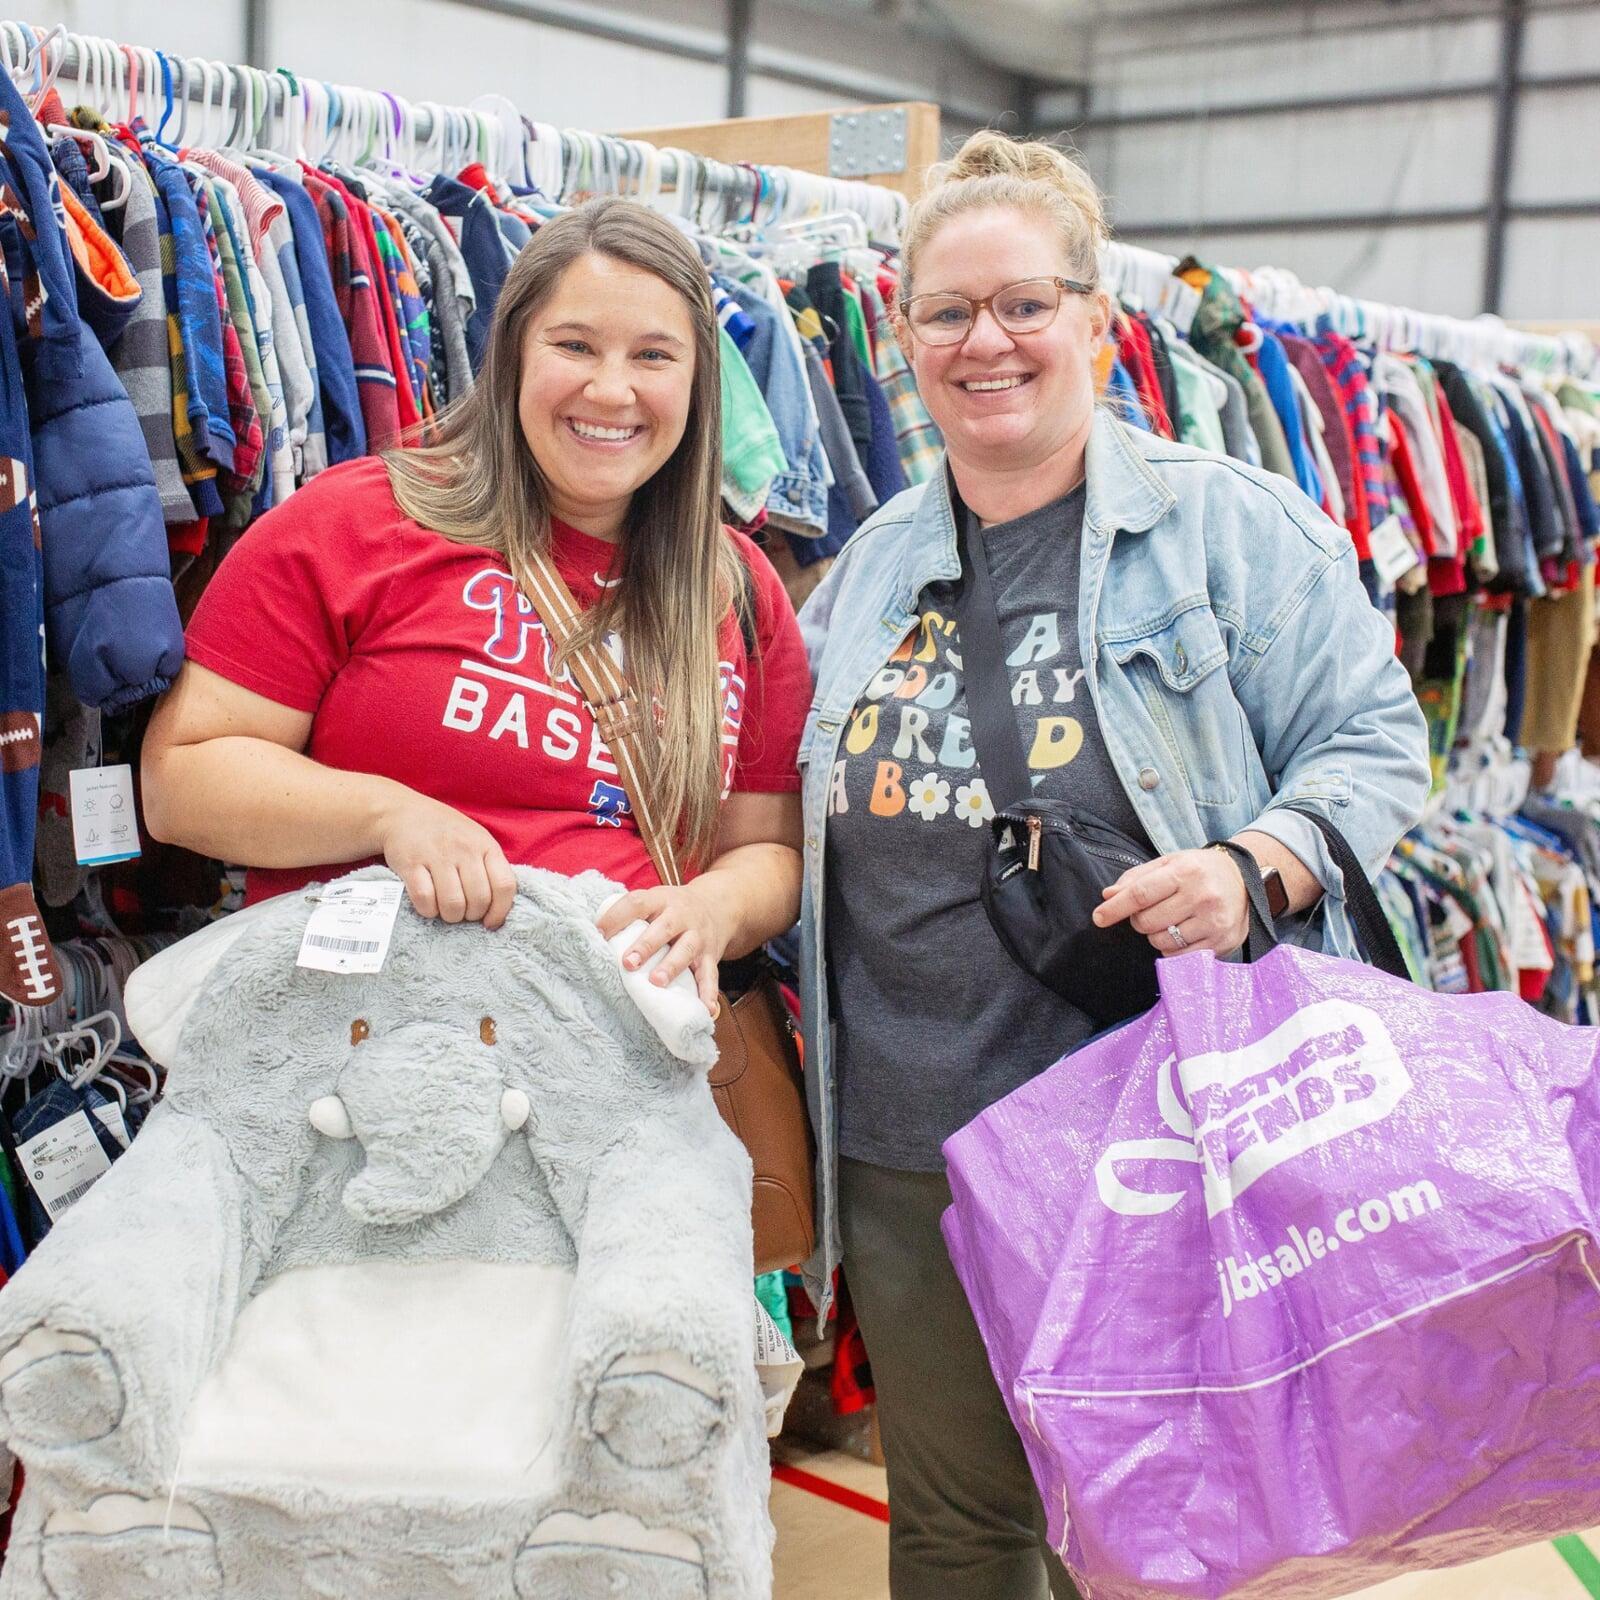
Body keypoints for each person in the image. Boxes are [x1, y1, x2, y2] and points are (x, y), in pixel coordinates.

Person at [794, 132, 1431, 1600]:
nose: (985, 341)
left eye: (1023, 302)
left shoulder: (1223, 529)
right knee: (957, 1528)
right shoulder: (871, 566)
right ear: (903, 340)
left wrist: (1256, 864)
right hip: (911, 1146)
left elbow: (1377, 742)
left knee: (1149, 1529)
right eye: (946, 313)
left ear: (1097, 320)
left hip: (1145, 1140)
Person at [143, 198, 808, 1005]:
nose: (611, 389)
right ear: (513, 354)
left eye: (654, 356)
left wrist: (715, 907)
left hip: (619, 1070)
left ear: (699, 380)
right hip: (356, 1052)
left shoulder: (737, 588)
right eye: (574, 346)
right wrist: (388, 816)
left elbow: (768, 852)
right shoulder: (357, 521)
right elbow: (180, 782)